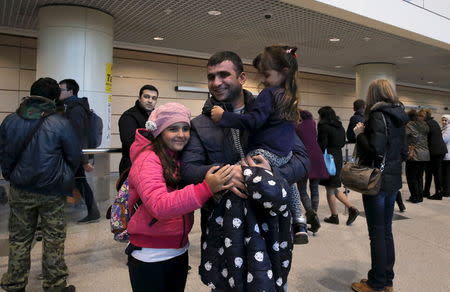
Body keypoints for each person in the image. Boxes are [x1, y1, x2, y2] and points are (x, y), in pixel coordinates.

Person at [181, 51, 309, 291]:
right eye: (211, 77)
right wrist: (229, 174)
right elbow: (188, 169)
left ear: (241, 77)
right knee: (226, 285)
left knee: (272, 284)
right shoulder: (200, 124)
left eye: (223, 74)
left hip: (270, 225)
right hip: (224, 227)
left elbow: (302, 160)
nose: (216, 82)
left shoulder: (274, 109)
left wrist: (270, 173)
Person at [126, 102, 234, 292]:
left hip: (179, 249)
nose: (181, 134)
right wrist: (206, 188)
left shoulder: (176, 158)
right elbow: (159, 205)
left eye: (185, 128)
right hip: (150, 255)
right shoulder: (148, 159)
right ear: (159, 131)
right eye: (173, 129)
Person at [210, 45, 308, 244]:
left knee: (237, 168)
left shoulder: (268, 94)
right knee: (289, 184)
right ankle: (299, 221)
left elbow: (252, 121)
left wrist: (223, 117)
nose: (263, 79)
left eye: (266, 74)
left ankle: (218, 197)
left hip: (266, 151)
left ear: (284, 72)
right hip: (285, 153)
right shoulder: (289, 97)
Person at [0, 77, 80, 292]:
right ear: (55, 98)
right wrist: (63, 176)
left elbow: (4, 154)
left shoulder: (10, 121)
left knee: (19, 237)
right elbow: (73, 156)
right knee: (53, 237)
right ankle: (55, 285)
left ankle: (14, 283)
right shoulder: (61, 123)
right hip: (51, 191)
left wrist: (10, 175)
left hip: (20, 188)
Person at [351, 79, 408, 292]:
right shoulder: (400, 116)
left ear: (373, 94)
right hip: (393, 180)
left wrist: (359, 135)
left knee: (376, 232)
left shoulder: (377, 115)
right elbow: (402, 152)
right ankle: (386, 279)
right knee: (386, 231)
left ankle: (376, 283)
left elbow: (375, 149)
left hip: (376, 180)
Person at [59, 79, 100, 223]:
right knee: (79, 183)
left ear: (70, 91)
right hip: (72, 153)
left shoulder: (75, 109)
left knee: (78, 183)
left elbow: (79, 135)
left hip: (74, 154)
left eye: (61, 89)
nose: (59, 92)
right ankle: (93, 211)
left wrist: (83, 160)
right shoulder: (70, 107)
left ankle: (92, 211)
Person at [317, 106, 359, 225]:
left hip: (328, 157)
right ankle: (351, 209)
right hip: (338, 156)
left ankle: (335, 216)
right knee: (333, 186)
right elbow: (341, 142)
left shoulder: (323, 126)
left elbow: (321, 144)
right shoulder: (339, 126)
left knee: (330, 188)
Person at [295, 109, 329, 233]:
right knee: (314, 189)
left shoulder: (297, 127)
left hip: (304, 158)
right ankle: (313, 214)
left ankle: (312, 216)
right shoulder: (313, 124)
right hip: (317, 157)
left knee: (302, 190)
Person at [118, 85, 158, 175]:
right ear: (139, 98)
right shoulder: (128, 116)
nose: (150, 100)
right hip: (131, 167)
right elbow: (130, 143)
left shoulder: (157, 116)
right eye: (146, 97)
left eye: (154, 98)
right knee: (130, 190)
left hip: (151, 166)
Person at [420, 109, 448, 200]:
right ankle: (426, 191)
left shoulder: (426, 123)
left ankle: (438, 193)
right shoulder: (433, 122)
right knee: (430, 172)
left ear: (424, 116)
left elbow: (424, 137)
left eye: (420, 116)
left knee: (435, 173)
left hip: (435, 151)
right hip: (439, 150)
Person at [404, 109, 429, 203]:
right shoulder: (425, 125)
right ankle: (420, 196)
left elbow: (404, 135)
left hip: (414, 154)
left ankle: (414, 197)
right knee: (419, 176)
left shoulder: (410, 125)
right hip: (425, 154)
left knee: (411, 176)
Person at [441, 114, 450, 198]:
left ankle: (446, 192)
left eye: (445, 120)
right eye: (443, 120)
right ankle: (445, 190)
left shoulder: (449, 129)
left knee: (446, 175)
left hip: (448, 156)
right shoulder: (444, 129)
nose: (444, 122)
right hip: (445, 155)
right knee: (444, 174)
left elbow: (444, 139)